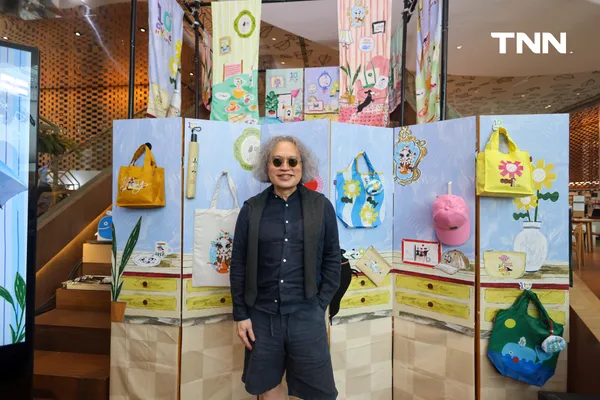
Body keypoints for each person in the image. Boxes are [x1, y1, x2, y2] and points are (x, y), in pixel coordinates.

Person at [230, 135, 341, 400]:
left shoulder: (321, 206)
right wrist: (241, 315)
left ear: (302, 166)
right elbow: (239, 264)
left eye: (292, 161)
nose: (285, 168)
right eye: (277, 161)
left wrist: (319, 304)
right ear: (267, 166)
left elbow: (332, 259)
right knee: (268, 388)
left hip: (306, 314)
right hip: (261, 317)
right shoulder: (251, 209)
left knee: (314, 392)